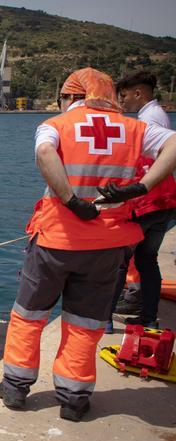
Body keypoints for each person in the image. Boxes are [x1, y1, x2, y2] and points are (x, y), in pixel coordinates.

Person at [0, 67, 176, 422]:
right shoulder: (136, 128)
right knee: (85, 322)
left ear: (73, 96)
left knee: (29, 315)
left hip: (56, 240)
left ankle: (16, 387)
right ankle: (74, 398)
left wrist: (70, 198)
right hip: (107, 245)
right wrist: (141, 186)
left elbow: (45, 156)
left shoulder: (55, 125)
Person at [105, 71, 176, 331]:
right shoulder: (158, 116)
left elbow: (144, 164)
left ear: (139, 94)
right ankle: (148, 318)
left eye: (124, 96)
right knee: (148, 260)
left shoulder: (146, 121)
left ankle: (105, 321)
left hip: (146, 203)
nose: (122, 102)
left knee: (120, 263)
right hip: (164, 202)